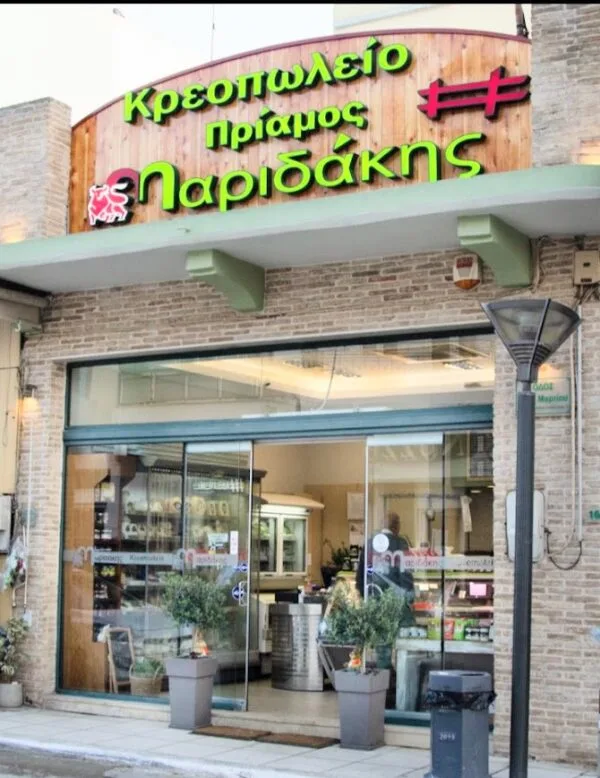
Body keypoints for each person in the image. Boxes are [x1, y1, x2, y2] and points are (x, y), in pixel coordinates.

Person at [355, 512, 415, 620]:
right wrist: (409, 598)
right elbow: (405, 573)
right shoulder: (401, 543)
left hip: (373, 601)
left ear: (382, 525)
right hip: (395, 604)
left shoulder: (370, 543)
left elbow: (362, 574)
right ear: (397, 526)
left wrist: (364, 596)